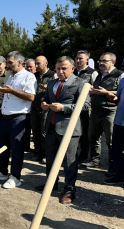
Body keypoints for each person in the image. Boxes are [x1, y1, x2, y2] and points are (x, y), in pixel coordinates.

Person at [37, 56, 89, 204]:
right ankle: (51, 183)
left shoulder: (81, 83)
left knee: (69, 161)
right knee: (50, 159)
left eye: (64, 68)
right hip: (51, 126)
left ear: (72, 68)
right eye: (58, 68)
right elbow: (46, 99)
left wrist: (63, 108)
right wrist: (44, 104)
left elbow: (85, 106)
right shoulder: (52, 82)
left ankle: (69, 190)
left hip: (69, 129)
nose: (60, 71)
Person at [0, 51, 36, 189]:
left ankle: (15, 177)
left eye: (10, 62)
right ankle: (2, 172)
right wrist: (3, 91)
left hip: (18, 118)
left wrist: (11, 91)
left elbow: (31, 97)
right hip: (6, 117)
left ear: (19, 62)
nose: (7, 65)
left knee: (16, 149)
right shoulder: (11, 77)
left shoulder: (28, 76)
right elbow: (9, 94)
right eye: (7, 62)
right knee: (3, 148)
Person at [81, 52, 124, 177]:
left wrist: (106, 92)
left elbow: (120, 91)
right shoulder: (99, 75)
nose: (101, 63)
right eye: (100, 61)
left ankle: (113, 167)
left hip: (110, 112)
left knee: (111, 142)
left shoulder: (120, 75)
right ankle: (94, 160)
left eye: (104, 61)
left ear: (113, 62)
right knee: (93, 138)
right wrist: (92, 92)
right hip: (95, 112)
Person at [73, 50, 99, 162]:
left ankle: (83, 156)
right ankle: (73, 155)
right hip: (72, 106)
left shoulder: (93, 73)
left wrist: (91, 90)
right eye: (77, 58)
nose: (78, 60)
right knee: (73, 132)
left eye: (81, 58)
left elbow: (96, 89)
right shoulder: (72, 72)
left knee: (84, 133)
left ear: (87, 60)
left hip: (85, 108)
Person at [31, 56, 56, 164]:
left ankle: (46, 155)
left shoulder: (53, 75)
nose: (36, 66)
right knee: (35, 133)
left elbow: (58, 90)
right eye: (35, 63)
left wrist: (48, 88)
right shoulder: (33, 76)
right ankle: (37, 154)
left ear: (46, 63)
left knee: (45, 133)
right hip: (34, 108)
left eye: (38, 64)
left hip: (46, 109)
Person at [105, 79, 124, 184]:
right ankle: (119, 176)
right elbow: (118, 99)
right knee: (117, 151)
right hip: (119, 122)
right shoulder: (122, 81)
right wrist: (114, 98)